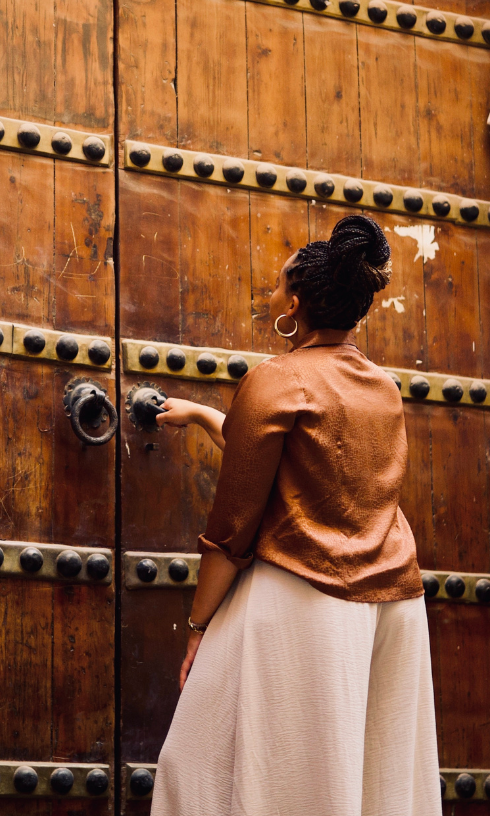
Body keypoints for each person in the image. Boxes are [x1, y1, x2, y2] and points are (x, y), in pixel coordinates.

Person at [150, 214, 440, 816]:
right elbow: (299, 458)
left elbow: (232, 530)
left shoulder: (275, 378)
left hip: (305, 598)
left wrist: (199, 627)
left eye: (279, 285)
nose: (271, 294)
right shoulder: (382, 387)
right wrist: (206, 417)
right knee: (368, 779)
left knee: (219, 768)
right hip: (395, 605)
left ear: (298, 301)